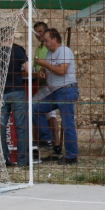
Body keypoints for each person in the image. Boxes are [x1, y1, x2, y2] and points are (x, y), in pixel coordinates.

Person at [33, 28, 79, 165]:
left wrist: (43, 64)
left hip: (66, 90)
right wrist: (42, 71)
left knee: (67, 124)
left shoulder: (64, 51)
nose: (45, 43)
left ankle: (71, 156)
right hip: (55, 91)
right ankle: (47, 139)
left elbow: (61, 70)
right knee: (35, 109)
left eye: (46, 40)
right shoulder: (49, 53)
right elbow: (46, 68)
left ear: (54, 39)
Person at [0, 27, 29, 167]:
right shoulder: (17, 50)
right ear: (11, 37)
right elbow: (28, 69)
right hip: (17, 91)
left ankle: (3, 159)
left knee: (0, 127)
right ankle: (23, 161)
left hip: (0, 94)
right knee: (21, 127)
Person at [33, 22, 61, 156]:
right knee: (47, 113)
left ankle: (50, 141)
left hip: (50, 85)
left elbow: (54, 65)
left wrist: (43, 68)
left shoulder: (50, 48)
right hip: (42, 84)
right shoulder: (39, 48)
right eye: (36, 33)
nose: (38, 35)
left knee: (44, 112)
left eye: (40, 32)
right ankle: (50, 142)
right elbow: (36, 67)